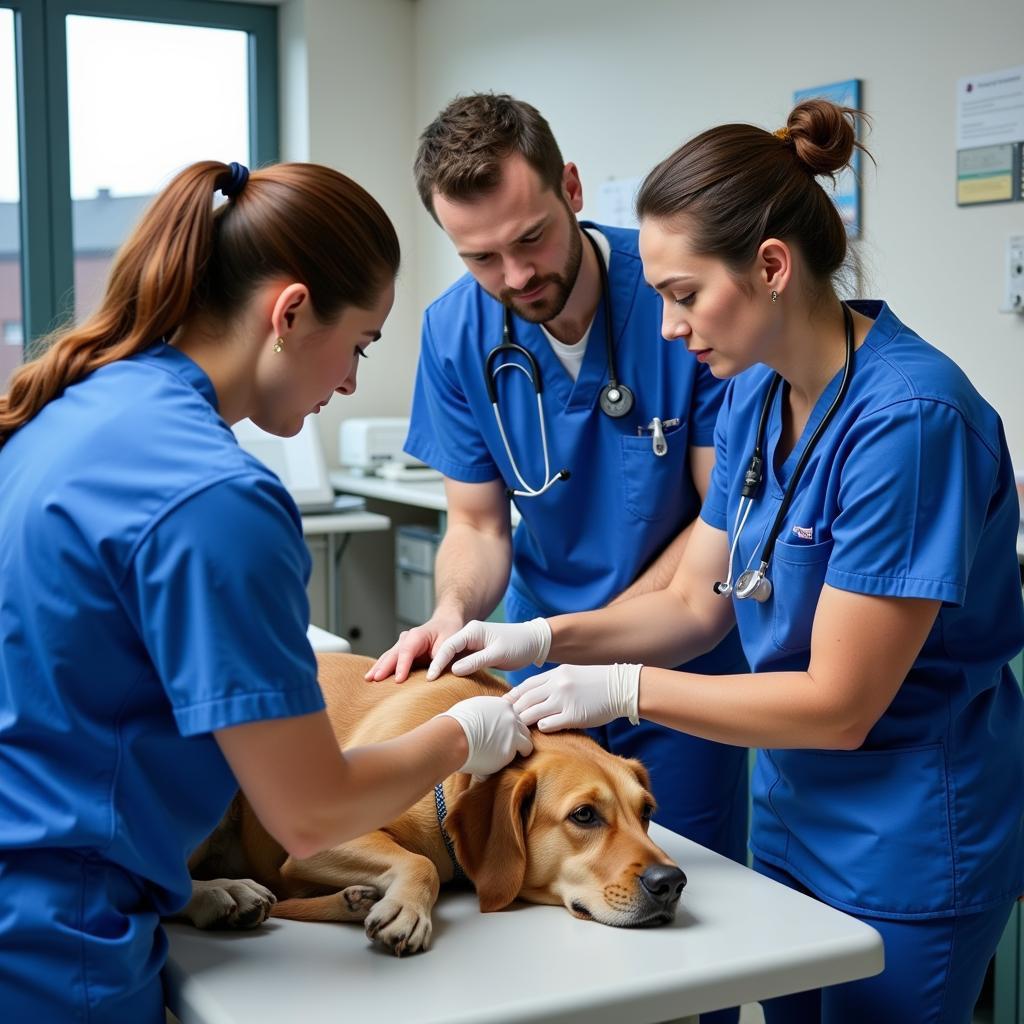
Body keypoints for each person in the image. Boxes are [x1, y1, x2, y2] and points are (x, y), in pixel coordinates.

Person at [428, 99, 1024, 1024]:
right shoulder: (753, 398)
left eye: (683, 294)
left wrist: (627, 688)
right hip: (790, 815)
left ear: (772, 268)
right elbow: (693, 602)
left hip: (907, 835)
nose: (669, 327)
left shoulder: (910, 422)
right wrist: (539, 636)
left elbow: (838, 703)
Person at [0, 160, 531, 1023]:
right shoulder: (219, 497)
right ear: (288, 314)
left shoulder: (74, 406)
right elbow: (311, 812)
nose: (353, 381)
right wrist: (464, 733)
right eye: (359, 345)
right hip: (52, 935)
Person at [368, 92, 750, 892]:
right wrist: (451, 615)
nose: (515, 276)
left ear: (570, 188)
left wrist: (585, 637)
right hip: (534, 670)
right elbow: (476, 526)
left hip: (678, 664)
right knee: (542, 903)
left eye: (530, 238)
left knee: (682, 904)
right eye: (479, 258)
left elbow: (724, 515)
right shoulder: (455, 331)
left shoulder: (677, 302)